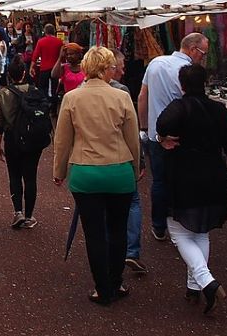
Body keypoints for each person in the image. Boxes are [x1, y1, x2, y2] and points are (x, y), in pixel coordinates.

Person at [52, 47, 142, 305]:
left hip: (85, 171)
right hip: (119, 170)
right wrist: (134, 169)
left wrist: (59, 172)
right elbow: (132, 139)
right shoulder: (121, 96)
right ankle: (116, 282)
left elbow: (62, 140)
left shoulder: (71, 98)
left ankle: (102, 288)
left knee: (94, 233)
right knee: (118, 230)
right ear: (105, 69)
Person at [155, 64, 227, 314]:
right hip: (213, 173)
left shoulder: (179, 108)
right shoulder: (219, 110)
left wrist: (162, 139)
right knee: (201, 231)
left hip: (185, 174)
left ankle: (206, 282)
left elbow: (161, 125)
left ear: (182, 84)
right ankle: (193, 287)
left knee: (179, 232)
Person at [137, 33, 210, 242]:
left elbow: (142, 97)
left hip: (154, 134)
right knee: (183, 178)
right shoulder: (190, 72)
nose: (202, 58)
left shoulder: (156, 62)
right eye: (203, 53)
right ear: (193, 49)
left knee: (159, 180)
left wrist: (144, 127)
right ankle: (182, 223)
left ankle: (159, 226)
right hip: (182, 135)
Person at [108, 54, 147, 276]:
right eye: (120, 68)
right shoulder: (121, 91)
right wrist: (139, 160)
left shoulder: (81, 91)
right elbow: (132, 131)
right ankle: (130, 251)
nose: (123, 72)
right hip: (121, 158)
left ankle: (108, 252)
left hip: (91, 163)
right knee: (132, 202)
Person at [0, 58, 45, 228]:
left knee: (14, 176)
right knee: (30, 177)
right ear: (24, 73)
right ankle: (30, 215)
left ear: (9, 74)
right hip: (32, 138)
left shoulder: (3, 94)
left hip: (12, 138)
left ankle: (18, 212)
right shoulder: (35, 90)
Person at [30, 24, 64, 95]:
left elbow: (35, 56)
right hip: (55, 68)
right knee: (55, 89)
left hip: (44, 69)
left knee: (43, 89)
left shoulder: (40, 41)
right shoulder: (59, 42)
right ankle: (53, 104)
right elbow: (62, 56)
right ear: (54, 31)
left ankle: (44, 103)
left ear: (45, 32)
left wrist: (31, 67)